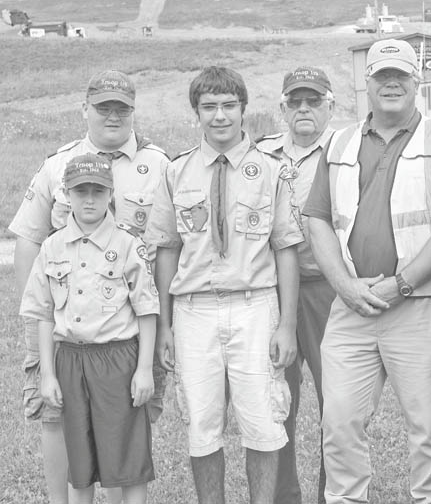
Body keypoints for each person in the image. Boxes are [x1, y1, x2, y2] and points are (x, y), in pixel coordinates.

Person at [304, 38, 431, 503]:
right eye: (383, 76)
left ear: (417, 81)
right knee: (338, 422)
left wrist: (402, 284)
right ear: (368, 83)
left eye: (401, 75)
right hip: (351, 306)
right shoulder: (339, 142)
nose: (392, 83)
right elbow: (316, 217)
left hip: (417, 305)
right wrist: (344, 286)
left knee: (428, 427)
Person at [144, 66, 302, 504]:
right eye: (209, 107)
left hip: (255, 306)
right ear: (196, 112)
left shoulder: (271, 170)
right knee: (202, 426)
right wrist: (165, 325)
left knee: (263, 424)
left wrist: (287, 324)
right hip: (194, 310)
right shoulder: (176, 172)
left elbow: (285, 246)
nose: (219, 116)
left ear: (243, 109)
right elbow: (167, 250)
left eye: (228, 106)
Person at [9, 69, 168, 504]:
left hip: (129, 328)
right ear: (85, 109)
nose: (112, 116)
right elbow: (29, 238)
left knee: (122, 418)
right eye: (103, 108)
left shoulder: (159, 165)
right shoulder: (58, 165)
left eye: (122, 108)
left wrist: (165, 327)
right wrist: (38, 320)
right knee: (58, 416)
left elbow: (174, 248)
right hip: (60, 325)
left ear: (133, 111)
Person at [257, 66, 337, 504]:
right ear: (282, 108)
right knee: (277, 400)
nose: (304, 109)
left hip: (329, 288)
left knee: (337, 402)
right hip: (275, 291)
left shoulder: (349, 150)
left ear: (331, 105)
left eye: (314, 101)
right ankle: (285, 494)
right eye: (295, 102)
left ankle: (334, 493)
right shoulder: (263, 154)